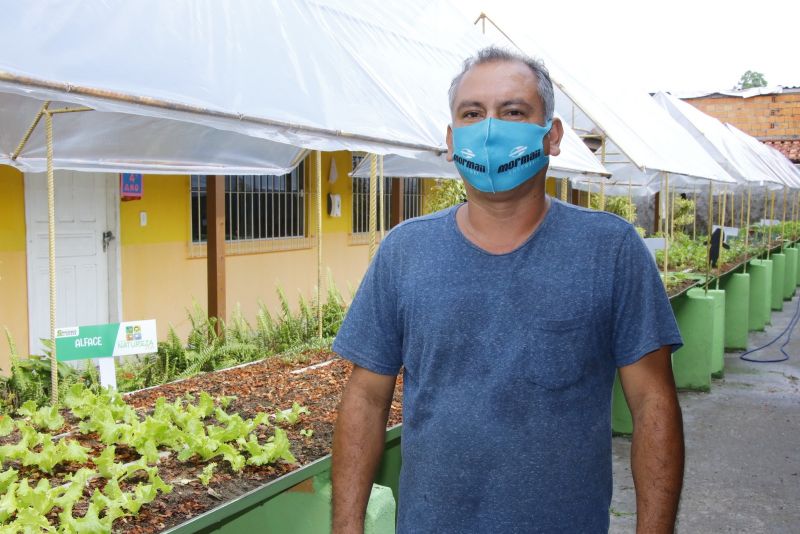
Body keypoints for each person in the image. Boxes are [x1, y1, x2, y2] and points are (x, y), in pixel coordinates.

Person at [331, 46, 684, 534]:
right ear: (453, 140)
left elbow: (653, 402)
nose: (491, 130)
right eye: (473, 114)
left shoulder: (610, 250)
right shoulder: (405, 251)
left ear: (552, 135)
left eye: (513, 112)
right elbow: (366, 400)